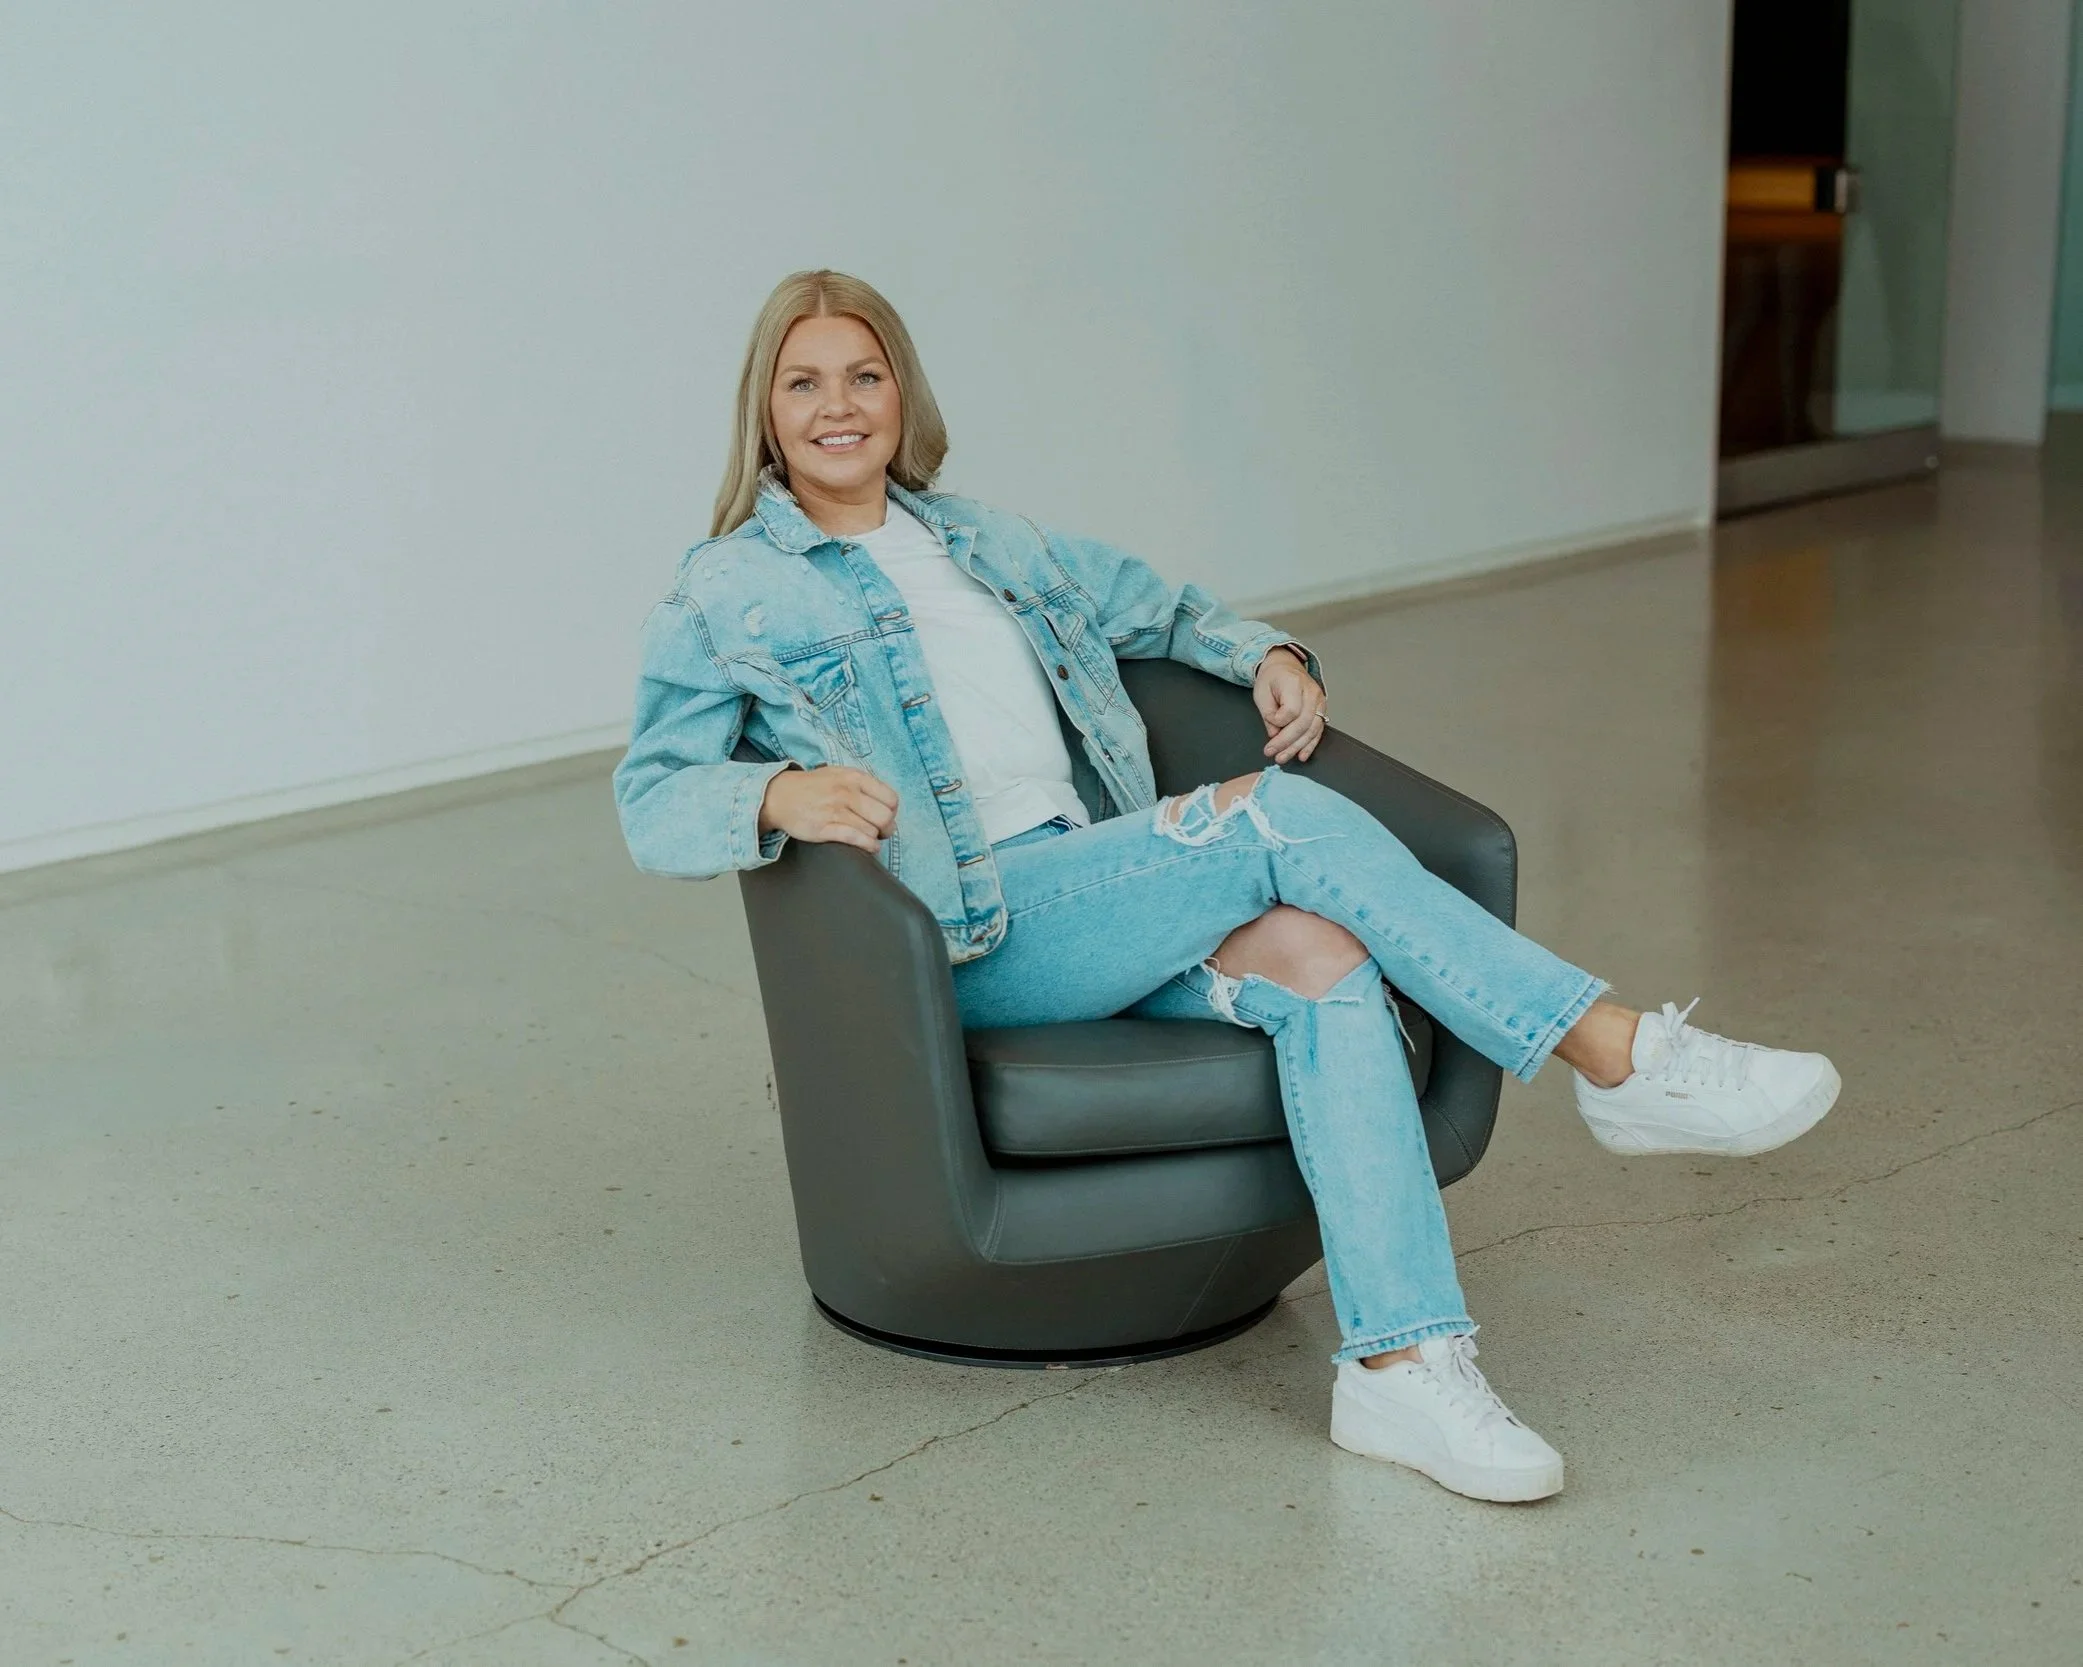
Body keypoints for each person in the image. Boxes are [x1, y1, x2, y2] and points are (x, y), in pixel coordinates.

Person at [614, 270, 1841, 1504]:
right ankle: (1612, 1051)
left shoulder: (989, 540)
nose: (840, 406)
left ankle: (1402, 1362)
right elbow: (652, 793)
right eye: (805, 381)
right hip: (968, 936)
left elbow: (1169, 613)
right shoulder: (728, 586)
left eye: (864, 375)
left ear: (902, 393)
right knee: (1272, 819)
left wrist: (1271, 653)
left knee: (1324, 960)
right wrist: (770, 795)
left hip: (1099, 894)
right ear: (765, 411)